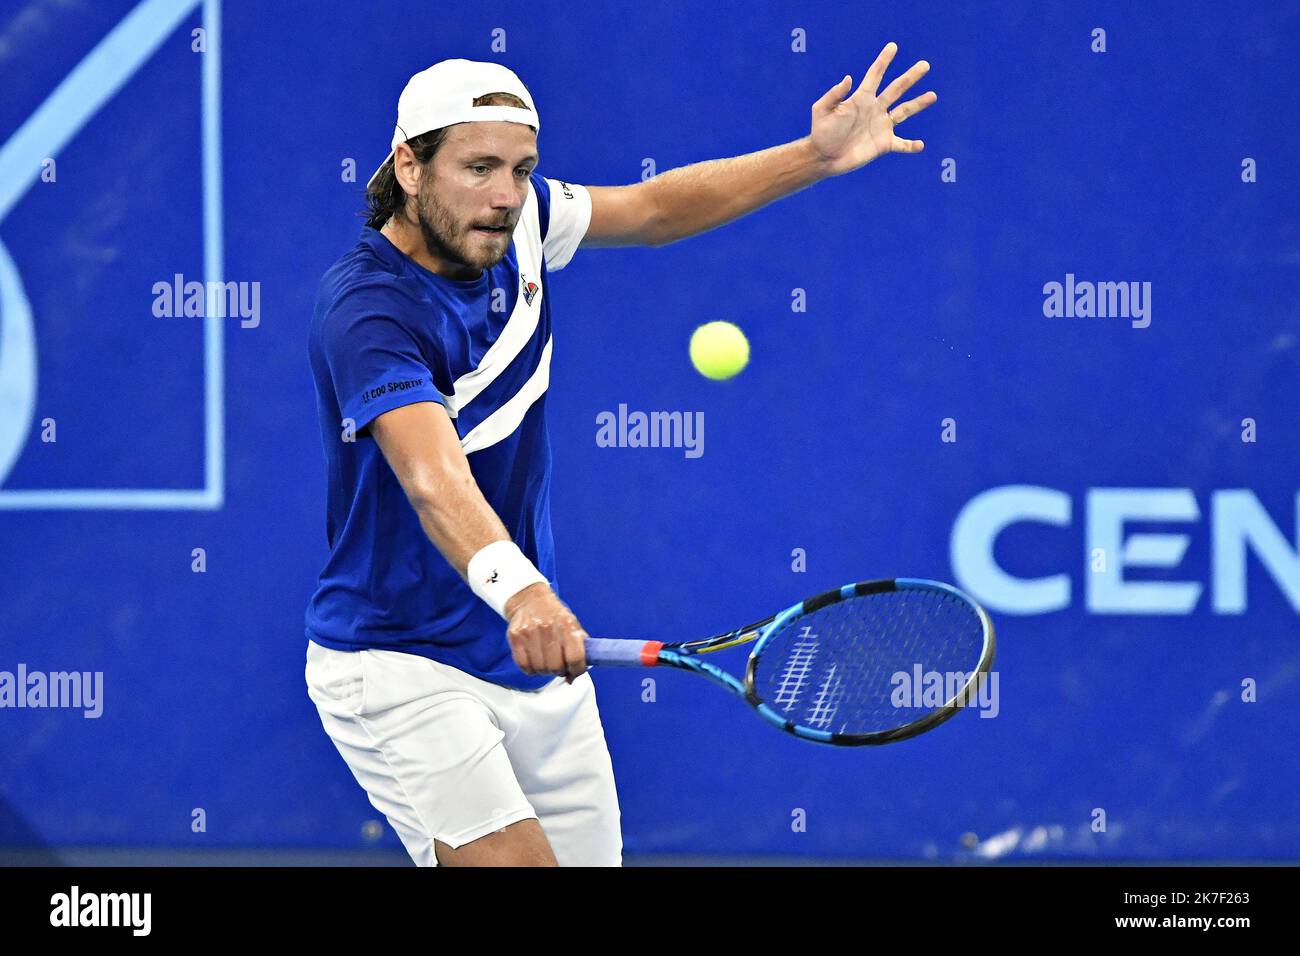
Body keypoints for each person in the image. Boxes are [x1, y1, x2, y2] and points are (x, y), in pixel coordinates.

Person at [304, 48, 935, 867]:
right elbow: (433, 480)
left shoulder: (520, 223)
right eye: (478, 167)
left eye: (522, 169)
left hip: (535, 663)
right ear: (410, 166)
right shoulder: (368, 311)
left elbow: (651, 209)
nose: (504, 195)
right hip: (398, 662)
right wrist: (522, 591)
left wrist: (812, 156)